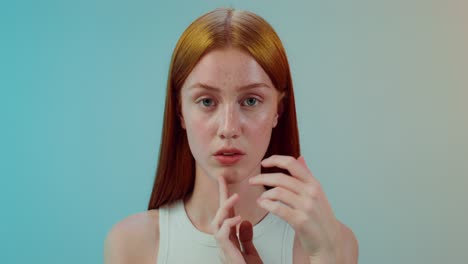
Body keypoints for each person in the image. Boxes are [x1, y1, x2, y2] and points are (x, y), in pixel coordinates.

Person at [104, 7, 358, 264]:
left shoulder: (331, 246)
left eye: (250, 100)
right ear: (180, 111)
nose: (228, 128)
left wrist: (327, 256)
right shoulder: (131, 245)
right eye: (206, 102)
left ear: (277, 111)